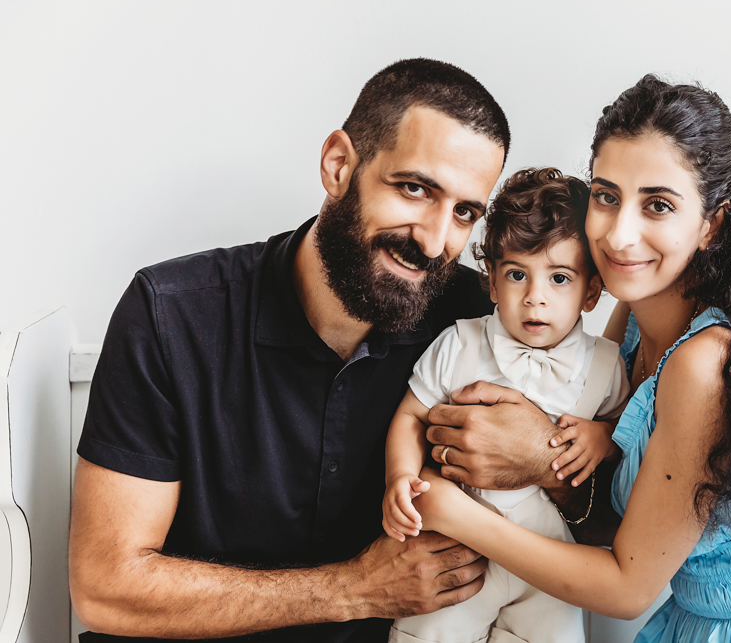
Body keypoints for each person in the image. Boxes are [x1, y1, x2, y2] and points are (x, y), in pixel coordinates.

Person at [67, 58, 580, 643]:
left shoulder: (487, 314)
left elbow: (601, 511)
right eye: (415, 189)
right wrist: (354, 590)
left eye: (464, 212)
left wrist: (547, 461)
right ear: (338, 165)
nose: (436, 241)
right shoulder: (171, 315)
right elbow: (105, 588)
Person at [412, 76, 731, 642]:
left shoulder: (705, 364)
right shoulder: (633, 318)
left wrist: (454, 512)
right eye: (606, 196)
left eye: (658, 205)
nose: (620, 235)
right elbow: (628, 515)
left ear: (711, 223)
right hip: (696, 620)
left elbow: (628, 587)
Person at [384, 168, 630, 643]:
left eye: (559, 278)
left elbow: (624, 427)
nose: (535, 297)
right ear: (492, 284)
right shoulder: (460, 343)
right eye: (517, 274)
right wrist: (399, 476)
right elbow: (410, 414)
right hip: (457, 550)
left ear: (591, 293)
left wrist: (602, 437)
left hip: (547, 558)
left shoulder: (604, 363)